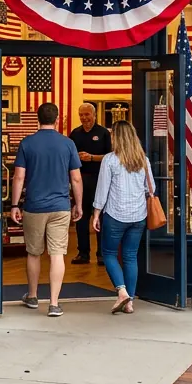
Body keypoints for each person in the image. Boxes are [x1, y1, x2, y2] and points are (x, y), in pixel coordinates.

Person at [10, 102, 83, 317]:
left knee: (33, 253)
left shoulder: (27, 143)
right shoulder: (68, 144)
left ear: (37, 120)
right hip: (61, 206)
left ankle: (32, 296)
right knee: (57, 253)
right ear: (57, 119)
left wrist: (15, 204)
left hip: (34, 206)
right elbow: (76, 178)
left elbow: (19, 177)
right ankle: (53, 303)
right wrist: (78, 204)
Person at [91, 121, 150, 315]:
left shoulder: (109, 160)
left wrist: (96, 213)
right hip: (138, 215)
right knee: (130, 256)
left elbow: (102, 190)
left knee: (108, 253)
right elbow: (151, 189)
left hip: (116, 215)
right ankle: (130, 302)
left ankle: (122, 291)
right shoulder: (143, 160)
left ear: (116, 137)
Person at [68, 102, 112, 264]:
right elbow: (68, 156)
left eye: (87, 114)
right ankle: (83, 253)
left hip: (100, 179)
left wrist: (92, 157)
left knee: (100, 216)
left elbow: (111, 156)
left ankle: (102, 254)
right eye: (81, 115)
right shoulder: (75, 134)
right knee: (81, 216)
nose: (84, 118)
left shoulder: (103, 133)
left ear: (94, 115)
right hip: (79, 180)